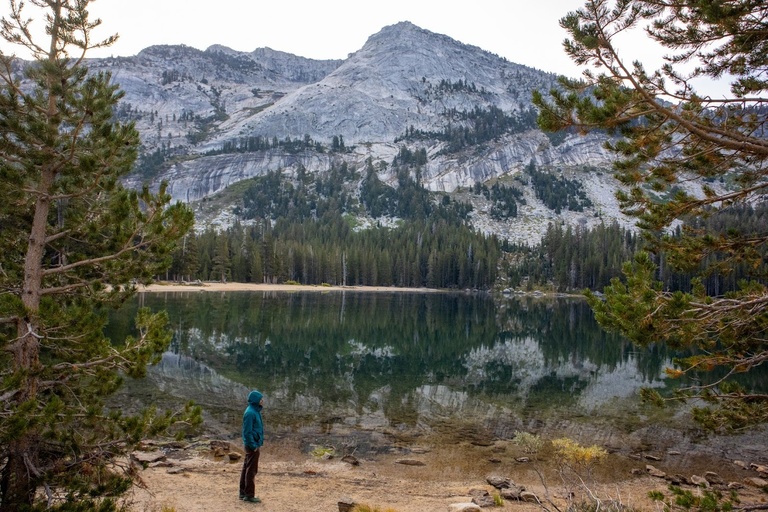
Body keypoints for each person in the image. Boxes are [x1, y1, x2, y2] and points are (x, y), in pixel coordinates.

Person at [239, 390, 264, 503]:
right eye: (261, 399)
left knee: (247, 468)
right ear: (256, 400)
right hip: (252, 445)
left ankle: (243, 493)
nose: (262, 401)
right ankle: (249, 495)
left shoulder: (255, 410)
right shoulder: (250, 413)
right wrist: (253, 445)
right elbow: (247, 432)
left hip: (253, 444)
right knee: (251, 470)